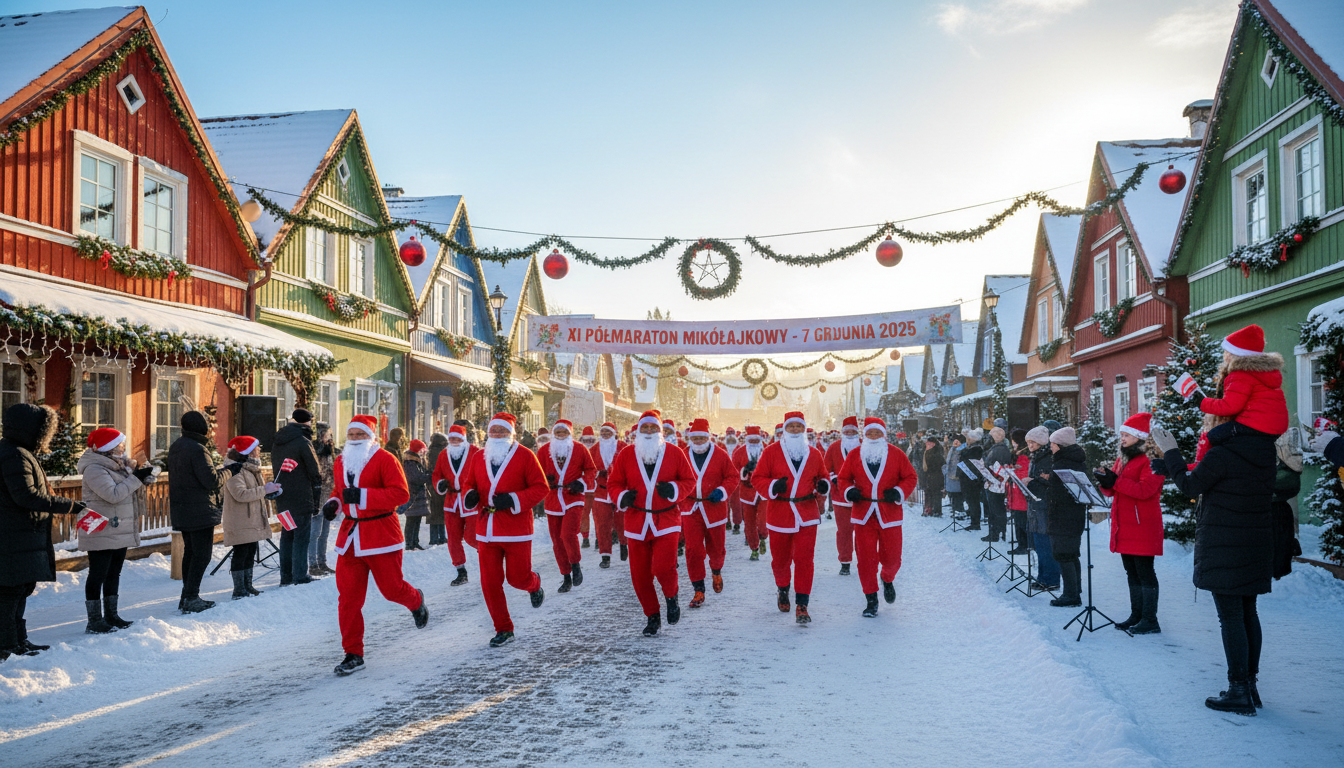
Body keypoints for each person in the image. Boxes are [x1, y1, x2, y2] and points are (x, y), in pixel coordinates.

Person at [1153, 416, 1278, 716]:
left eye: (1209, 422)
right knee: (1248, 612)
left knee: (1231, 617)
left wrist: (1170, 451)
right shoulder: (1263, 451)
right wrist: (1174, 468)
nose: (1205, 428)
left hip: (1225, 542)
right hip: (1255, 540)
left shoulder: (1221, 453)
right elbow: (1223, 481)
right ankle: (1249, 686)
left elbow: (1190, 485)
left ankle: (1238, 691)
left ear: (1223, 423)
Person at [323, 415, 428, 675]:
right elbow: (340, 492)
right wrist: (333, 504)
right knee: (348, 599)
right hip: (350, 538)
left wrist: (363, 496)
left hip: (381, 535)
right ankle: (353, 653)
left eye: (361, 435)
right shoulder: (341, 460)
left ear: (371, 437)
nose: (356, 439)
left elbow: (401, 494)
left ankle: (415, 600)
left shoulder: (385, 459)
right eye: (352, 435)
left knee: (391, 590)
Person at [0, 403, 87, 659]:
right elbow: (26, 496)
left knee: (21, 589)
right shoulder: (13, 454)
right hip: (13, 536)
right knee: (10, 592)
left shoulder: (18, 451)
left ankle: (18, 641)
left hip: (21, 535)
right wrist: (69, 505)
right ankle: (7, 645)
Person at [459, 413, 548, 647]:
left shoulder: (526, 456)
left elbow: (541, 488)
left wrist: (513, 499)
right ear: (488, 433)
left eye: (503, 431)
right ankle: (503, 628)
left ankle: (534, 583)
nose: (497, 434)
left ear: (512, 433)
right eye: (494, 431)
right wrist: (470, 495)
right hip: (486, 529)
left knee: (517, 578)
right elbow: (469, 483)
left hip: (516, 528)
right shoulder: (479, 456)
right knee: (490, 583)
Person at [608, 410, 695, 636]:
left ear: (661, 431)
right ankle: (652, 616)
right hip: (636, 521)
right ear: (637, 430)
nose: (648, 432)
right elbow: (614, 483)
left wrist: (674, 490)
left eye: (653, 428)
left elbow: (688, 480)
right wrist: (621, 497)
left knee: (663, 567)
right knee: (640, 575)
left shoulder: (675, 453)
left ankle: (671, 597)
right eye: (644, 428)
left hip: (666, 519)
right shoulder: (627, 454)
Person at [751, 411, 828, 624]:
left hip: (806, 513)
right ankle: (783, 588)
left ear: (804, 429)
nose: (795, 430)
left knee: (804, 560)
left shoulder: (813, 454)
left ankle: (802, 604)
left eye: (799, 427)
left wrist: (823, 486)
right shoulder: (771, 452)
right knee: (781, 560)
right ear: (784, 430)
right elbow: (757, 479)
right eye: (791, 426)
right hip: (780, 514)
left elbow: (822, 477)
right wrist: (773, 486)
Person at [837, 417, 918, 618]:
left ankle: (887, 578)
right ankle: (871, 600)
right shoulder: (856, 454)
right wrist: (849, 491)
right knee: (866, 560)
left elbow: (910, 477)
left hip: (889, 514)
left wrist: (899, 492)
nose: (873, 436)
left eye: (877, 433)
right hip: (863, 515)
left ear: (884, 435)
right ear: (864, 435)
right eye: (870, 433)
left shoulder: (897, 454)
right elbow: (843, 478)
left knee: (892, 559)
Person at [77, 428, 155, 632]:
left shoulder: (118, 465)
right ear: (107, 448)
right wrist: (136, 477)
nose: (123, 448)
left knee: (114, 573)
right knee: (98, 574)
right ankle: (94, 621)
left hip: (116, 526)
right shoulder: (94, 468)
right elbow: (113, 494)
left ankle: (112, 616)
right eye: (119, 445)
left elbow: (131, 484)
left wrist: (144, 474)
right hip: (100, 527)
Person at [168, 410, 243, 613]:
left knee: (190, 553)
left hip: (182, 508)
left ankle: (186, 596)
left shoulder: (177, 446)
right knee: (201, 555)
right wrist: (231, 470)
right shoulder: (198, 449)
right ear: (202, 428)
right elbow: (211, 481)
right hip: (199, 510)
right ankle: (191, 597)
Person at [1096, 414, 1163, 634]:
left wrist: (1116, 481)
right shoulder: (1123, 458)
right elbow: (1114, 489)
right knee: (1131, 572)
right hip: (1124, 525)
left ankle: (1150, 619)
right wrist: (1106, 482)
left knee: (1144, 572)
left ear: (1139, 437)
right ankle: (1137, 615)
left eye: (1126, 435)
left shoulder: (1152, 460)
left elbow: (1145, 491)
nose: (1122, 438)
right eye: (1122, 435)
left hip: (1143, 526)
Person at [680, 418, 740, 608]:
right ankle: (698, 589)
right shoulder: (682, 455)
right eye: (695, 438)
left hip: (714, 508)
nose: (698, 441)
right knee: (693, 550)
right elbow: (674, 476)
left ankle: (716, 570)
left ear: (707, 438)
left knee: (716, 547)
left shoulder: (720, 455)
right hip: (691, 508)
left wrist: (722, 491)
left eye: (701, 438)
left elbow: (732, 476)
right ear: (690, 438)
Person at [1193, 324, 1289, 437]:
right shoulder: (1260, 373)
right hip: (1274, 425)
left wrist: (1203, 402)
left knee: (1214, 436)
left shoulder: (1241, 375)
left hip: (1256, 425)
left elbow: (1230, 406)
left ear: (1234, 355)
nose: (1224, 356)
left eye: (1226, 352)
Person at [536, 419, 595, 593]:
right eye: (558, 433)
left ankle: (576, 566)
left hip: (573, 497)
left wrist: (581, 483)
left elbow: (591, 470)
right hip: (553, 500)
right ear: (553, 435)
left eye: (564, 433)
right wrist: (545, 480)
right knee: (557, 541)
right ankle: (566, 576)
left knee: (568, 534)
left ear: (570, 434)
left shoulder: (580, 449)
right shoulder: (544, 451)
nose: (561, 436)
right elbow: (535, 472)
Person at [221, 436, 281, 600]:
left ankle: (248, 585)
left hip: (251, 518)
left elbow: (256, 492)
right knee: (241, 552)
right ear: (247, 452)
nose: (259, 450)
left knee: (250, 551)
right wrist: (264, 490)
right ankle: (239, 589)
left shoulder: (251, 468)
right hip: (240, 519)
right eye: (256, 448)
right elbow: (240, 494)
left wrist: (270, 491)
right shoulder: (234, 469)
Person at [272, 408, 323, 586]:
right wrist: (316, 499)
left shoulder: (278, 440)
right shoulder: (303, 441)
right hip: (302, 497)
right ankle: (300, 575)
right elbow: (314, 472)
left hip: (283, 496)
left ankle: (286, 576)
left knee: (287, 535)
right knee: (301, 536)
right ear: (308, 422)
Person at [432, 425, 481, 586]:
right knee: (453, 539)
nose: (454, 441)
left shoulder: (475, 452)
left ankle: (489, 553)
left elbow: (483, 472)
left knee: (472, 536)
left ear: (464, 439)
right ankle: (461, 571)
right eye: (452, 438)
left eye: (458, 438)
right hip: (451, 501)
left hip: (470, 500)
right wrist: (440, 484)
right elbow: (436, 474)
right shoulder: (444, 454)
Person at [1044, 427, 1088, 608]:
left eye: (1053, 444)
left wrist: (1049, 487)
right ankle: (1074, 590)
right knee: (1071, 554)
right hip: (1073, 515)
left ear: (1060, 445)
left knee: (1063, 554)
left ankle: (1070, 595)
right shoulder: (1076, 460)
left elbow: (1059, 492)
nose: (1051, 448)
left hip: (1063, 515)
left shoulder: (1062, 464)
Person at [1024, 426, 1060, 591]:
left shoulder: (1047, 458)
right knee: (1039, 544)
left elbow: (1049, 482)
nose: (1030, 445)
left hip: (1044, 505)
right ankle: (1042, 577)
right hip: (1036, 504)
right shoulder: (1036, 456)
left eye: (1033, 442)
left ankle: (1050, 579)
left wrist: (1031, 481)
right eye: (1028, 442)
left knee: (1045, 544)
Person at [824, 417, 861, 573]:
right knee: (844, 531)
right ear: (842, 432)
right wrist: (834, 479)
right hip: (840, 497)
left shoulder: (865, 446)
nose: (850, 433)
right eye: (847, 431)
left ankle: (864, 560)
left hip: (862, 497)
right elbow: (825, 469)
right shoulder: (834, 448)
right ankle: (845, 561)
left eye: (853, 431)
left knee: (862, 531)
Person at [588, 422, 625, 568]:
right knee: (602, 524)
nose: (605, 434)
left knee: (622, 522)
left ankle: (624, 544)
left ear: (614, 433)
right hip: (601, 492)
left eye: (608, 432)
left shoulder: (623, 447)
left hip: (619, 490)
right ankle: (605, 556)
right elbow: (588, 469)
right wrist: (598, 472)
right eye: (602, 431)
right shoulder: (593, 450)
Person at [732, 426, 768, 560]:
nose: (753, 442)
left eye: (755, 440)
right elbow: (733, 472)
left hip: (764, 492)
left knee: (763, 521)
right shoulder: (739, 453)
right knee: (749, 522)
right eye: (751, 440)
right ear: (747, 440)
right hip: (747, 492)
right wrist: (744, 471)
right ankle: (754, 548)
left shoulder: (767, 450)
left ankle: (763, 536)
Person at [309, 422, 336, 575]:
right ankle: (312, 564)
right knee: (315, 532)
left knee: (325, 532)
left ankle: (322, 562)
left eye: (329, 434)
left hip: (330, 495)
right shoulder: (313, 449)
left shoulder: (331, 450)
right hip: (317, 495)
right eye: (326, 434)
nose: (328, 437)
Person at [398, 439, 431, 551]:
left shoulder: (415, 461)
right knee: (411, 520)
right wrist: (428, 476)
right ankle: (409, 543)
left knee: (417, 519)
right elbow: (416, 478)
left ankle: (414, 541)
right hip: (413, 495)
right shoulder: (410, 462)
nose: (422, 452)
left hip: (416, 494)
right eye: (421, 450)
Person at [982, 426, 1012, 543]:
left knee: (995, 509)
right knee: (996, 508)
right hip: (995, 482)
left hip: (995, 483)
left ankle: (995, 533)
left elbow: (997, 466)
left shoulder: (998, 450)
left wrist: (991, 477)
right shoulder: (999, 449)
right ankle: (998, 531)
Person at [1004, 429, 1031, 553]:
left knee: (1021, 521)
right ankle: (1021, 543)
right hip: (1015, 492)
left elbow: (1024, 473)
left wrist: (1012, 469)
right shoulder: (1017, 454)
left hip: (1020, 493)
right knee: (1018, 520)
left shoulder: (1023, 456)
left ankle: (1024, 545)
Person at [425, 432, 450, 547]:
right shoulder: (438, 452)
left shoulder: (432, 451)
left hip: (434, 484)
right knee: (438, 512)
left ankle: (437, 536)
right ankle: (438, 536)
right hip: (437, 484)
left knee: (436, 512)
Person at [958, 429, 985, 531]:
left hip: (972, 480)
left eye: (968, 438)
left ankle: (975, 523)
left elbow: (970, 463)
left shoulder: (975, 450)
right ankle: (974, 521)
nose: (967, 440)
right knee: (972, 501)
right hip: (968, 479)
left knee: (973, 501)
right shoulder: (971, 449)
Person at [579, 426, 598, 549]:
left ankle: (598, 537)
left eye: (590, 440)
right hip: (585, 488)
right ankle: (585, 537)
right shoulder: (579, 451)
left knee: (597, 514)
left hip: (597, 488)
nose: (587, 443)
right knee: (584, 514)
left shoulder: (598, 450)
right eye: (585, 440)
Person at [921, 434, 945, 517]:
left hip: (936, 475)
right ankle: (930, 509)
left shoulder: (936, 453)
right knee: (930, 492)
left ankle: (937, 510)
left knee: (936, 493)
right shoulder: (927, 451)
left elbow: (937, 464)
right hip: (930, 475)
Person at [944, 434, 966, 522]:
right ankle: (955, 510)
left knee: (958, 496)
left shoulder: (962, 450)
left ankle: (960, 512)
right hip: (950, 475)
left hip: (957, 476)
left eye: (958, 440)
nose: (955, 442)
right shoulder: (952, 449)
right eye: (955, 440)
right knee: (953, 495)